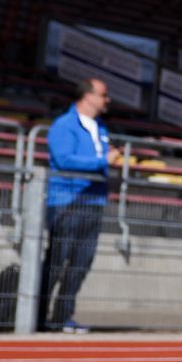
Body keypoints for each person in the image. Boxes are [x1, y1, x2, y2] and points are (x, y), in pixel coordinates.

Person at [42, 78, 123, 333]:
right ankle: (37, 314)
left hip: (93, 201)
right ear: (87, 96)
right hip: (67, 201)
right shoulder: (64, 125)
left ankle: (62, 316)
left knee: (80, 263)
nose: (107, 100)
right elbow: (64, 160)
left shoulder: (100, 126)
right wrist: (103, 160)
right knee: (57, 261)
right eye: (103, 95)